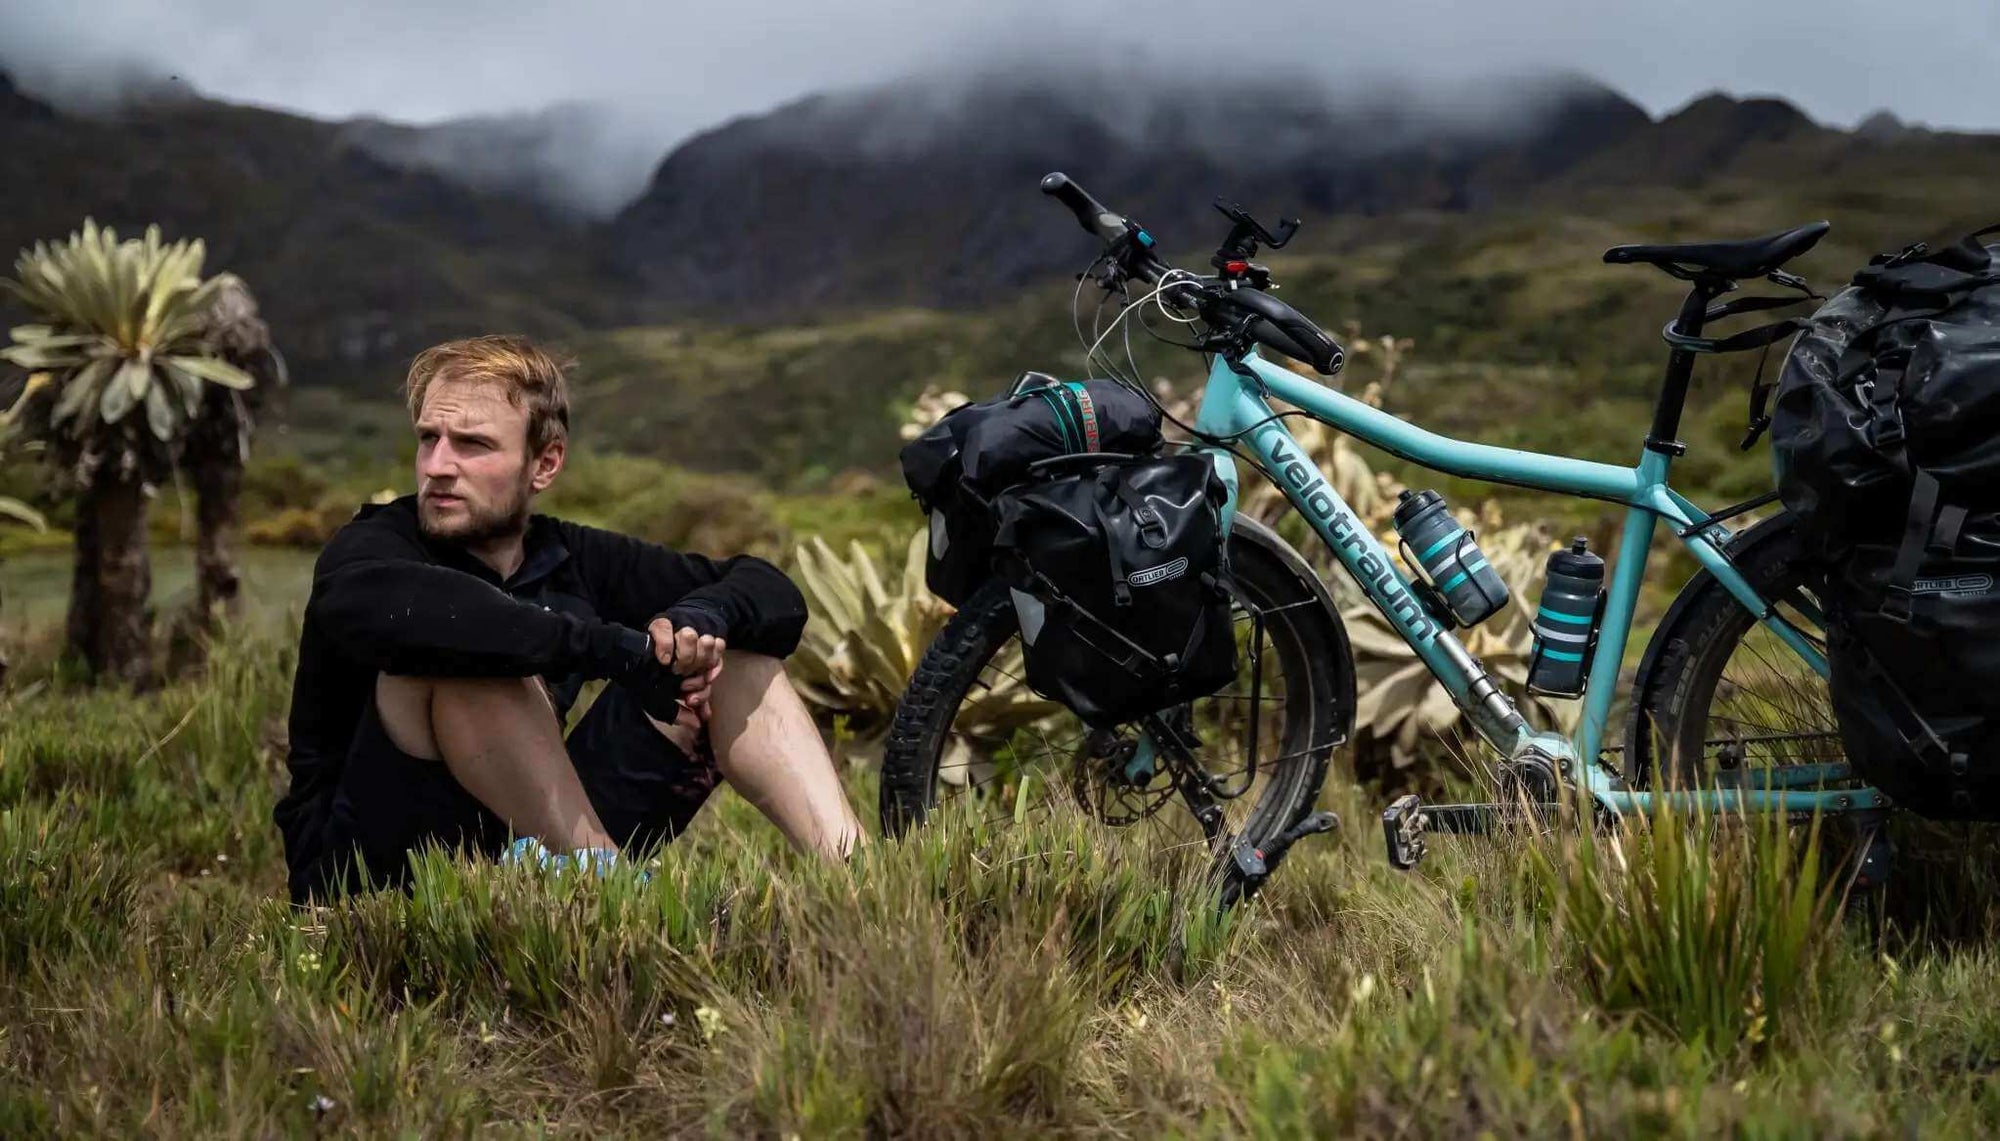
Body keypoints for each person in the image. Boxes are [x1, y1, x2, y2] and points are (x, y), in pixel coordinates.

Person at [272, 334, 862, 902]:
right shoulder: (372, 548)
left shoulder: (569, 555)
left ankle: (858, 880)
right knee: (468, 658)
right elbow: (428, 617)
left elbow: (772, 594)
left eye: (472, 445)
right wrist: (621, 651)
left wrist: (697, 617)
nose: (438, 466)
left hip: (532, 851)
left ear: (545, 464)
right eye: (429, 439)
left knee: (732, 650)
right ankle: (613, 895)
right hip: (373, 878)